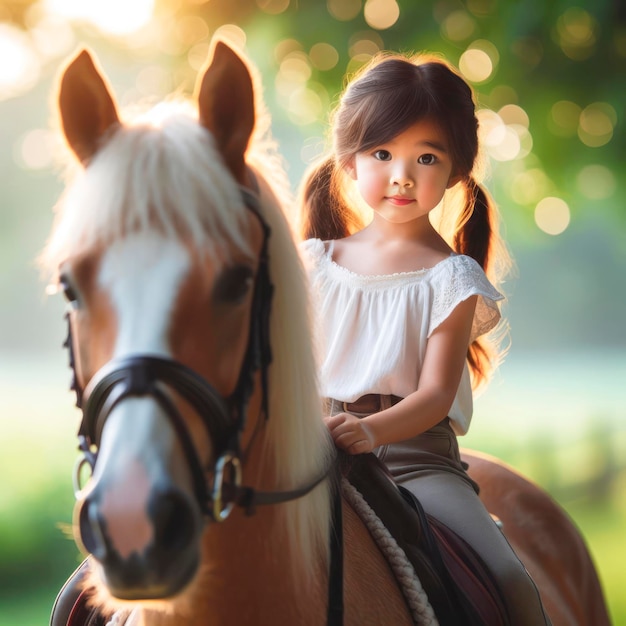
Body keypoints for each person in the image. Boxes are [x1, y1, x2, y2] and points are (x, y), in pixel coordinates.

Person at [297, 52, 550, 626]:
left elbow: (436, 395)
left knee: (510, 582)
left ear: (456, 170)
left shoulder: (451, 278)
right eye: (382, 154)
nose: (401, 176)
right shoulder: (313, 263)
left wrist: (368, 430)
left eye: (426, 157)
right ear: (350, 161)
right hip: (309, 450)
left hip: (415, 464)